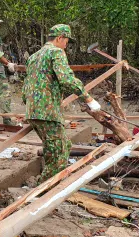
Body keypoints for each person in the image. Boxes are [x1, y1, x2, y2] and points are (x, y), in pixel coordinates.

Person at [22, 24, 101, 179]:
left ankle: (46, 188)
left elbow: (26, 86)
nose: (66, 45)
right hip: (48, 112)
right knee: (61, 151)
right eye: (66, 41)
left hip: (33, 112)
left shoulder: (34, 56)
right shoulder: (57, 52)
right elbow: (66, 79)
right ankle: (45, 191)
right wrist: (88, 98)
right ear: (59, 38)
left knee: (53, 150)